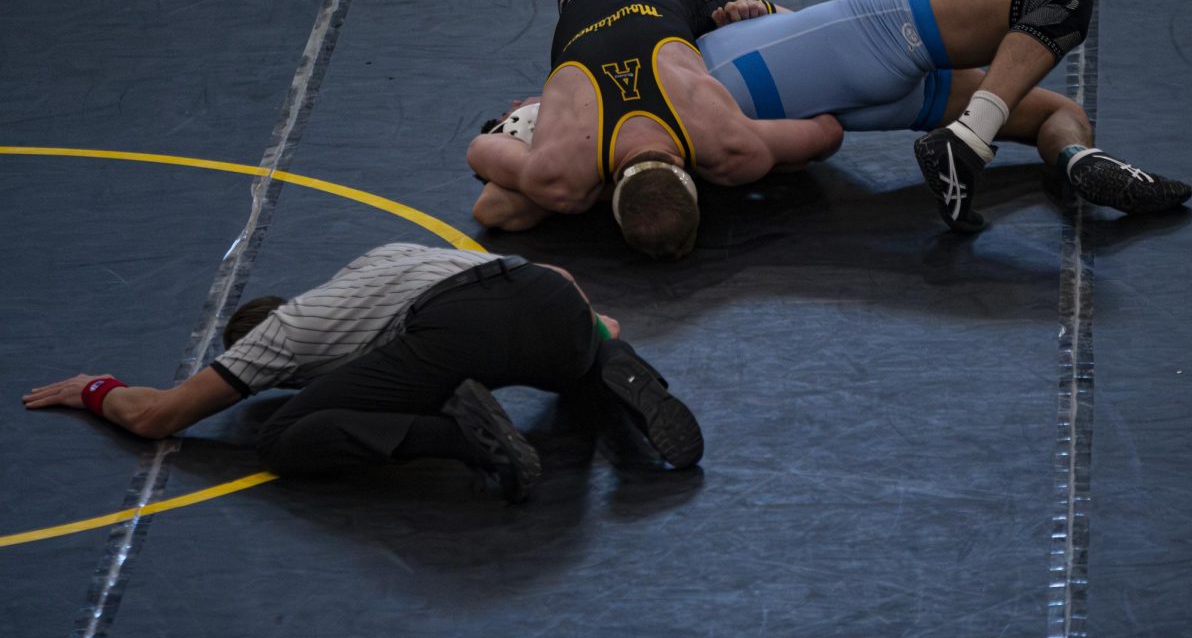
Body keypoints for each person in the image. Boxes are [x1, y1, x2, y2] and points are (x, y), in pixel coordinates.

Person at [22, 243, 704, 503]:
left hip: (458, 330)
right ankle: (628, 380)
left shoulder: (282, 338)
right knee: (580, 352)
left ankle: (465, 440)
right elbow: (558, 280)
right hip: (545, 292)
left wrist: (94, 389)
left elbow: (157, 416)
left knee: (283, 440)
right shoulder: (380, 258)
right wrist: (600, 342)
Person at [697, 0, 1192, 232]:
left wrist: (756, 10)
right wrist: (758, 9)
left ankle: (1078, 157)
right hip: (871, 42)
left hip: (832, 96)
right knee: (1059, 6)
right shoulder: (680, 57)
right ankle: (971, 138)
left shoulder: (677, 87)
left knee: (1062, 113)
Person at [467, 0, 845, 259]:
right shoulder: (560, 177)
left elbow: (827, 134)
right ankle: (578, 0)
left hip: (653, 0)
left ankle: (580, 0)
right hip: (615, 10)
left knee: (774, 20)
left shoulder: (730, 148)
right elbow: (483, 151)